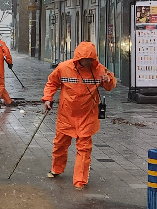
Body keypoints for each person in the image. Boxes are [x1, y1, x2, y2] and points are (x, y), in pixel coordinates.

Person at [42, 41, 116, 190]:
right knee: (60, 144)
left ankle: (80, 180)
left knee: (84, 148)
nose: (88, 62)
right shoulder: (64, 68)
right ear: (78, 58)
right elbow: (52, 82)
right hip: (66, 114)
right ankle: (57, 168)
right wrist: (48, 98)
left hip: (87, 115)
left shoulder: (100, 70)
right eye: (85, 59)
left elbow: (110, 86)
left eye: (90, 59)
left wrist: (109, 80)